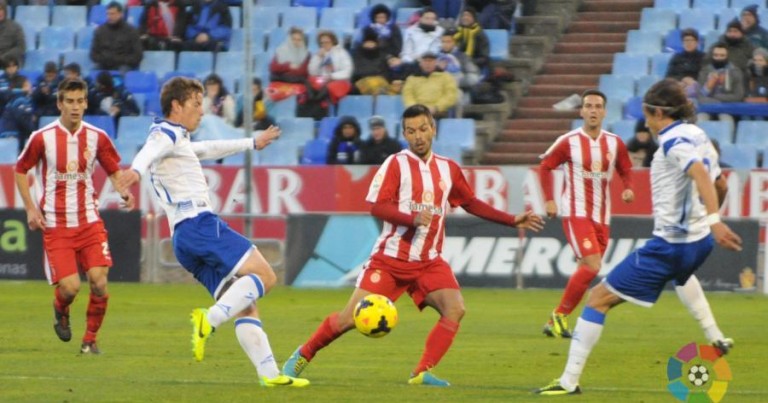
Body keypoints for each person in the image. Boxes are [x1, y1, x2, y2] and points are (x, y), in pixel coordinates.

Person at [282, 104, 544, 386]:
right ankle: (303, 354)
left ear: (433, 128)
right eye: (410, 131)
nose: (418, 136)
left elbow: (470, 202)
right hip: (390, 261)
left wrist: (511, 219)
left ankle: (421, 373)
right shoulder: (396, 164)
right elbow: (377, 207)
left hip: (428, 261)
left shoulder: (448, 169)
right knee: (348, 320)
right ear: (404, 134)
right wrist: (412, 218)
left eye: (422, 129)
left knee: (455, 308)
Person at [535, 78, 742, 396]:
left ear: (657, 112)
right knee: (683, 277)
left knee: (597, 299)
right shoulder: (699, 135)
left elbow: (699, 174)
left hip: (670, 245)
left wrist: (714, 221)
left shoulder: (673, 142)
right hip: (699, 243)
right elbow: (721, 185)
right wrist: (709, 224)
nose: (644, 119)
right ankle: (714, 334)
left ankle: (567, 381)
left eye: (646, 112)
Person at [116, 77, 308, 387]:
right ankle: (210, 319)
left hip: (183, 238)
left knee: (245, 302)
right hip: (199, 224)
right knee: (266, 276)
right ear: (176, 106)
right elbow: (149, 151)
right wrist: (134, 172)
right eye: (195, 104)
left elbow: (206, 148)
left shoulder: (177, 139)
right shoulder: (164, 133)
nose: (201, 112)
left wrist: (251, 142)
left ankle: (270, 375)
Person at [14, 77, 136, 354]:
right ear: (59, 104)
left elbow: (113, 170)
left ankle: (90, 341)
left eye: (80, 101)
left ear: (86, 102)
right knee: (70, 288)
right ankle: (61, 308)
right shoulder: (42, 137)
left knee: (99, 281)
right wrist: (31, 208)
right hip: (57, 225)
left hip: (89, 221)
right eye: (69, 101)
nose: (75, 107)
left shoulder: (97, 137)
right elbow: (20, 170)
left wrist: (123, 191)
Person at [538, 90, 634, 338]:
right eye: (588, 106)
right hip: (575, 211)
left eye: (597, 106)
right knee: (592, 265)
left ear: (604, 111)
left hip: (602, 215)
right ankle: (560, 315)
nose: (593, 110)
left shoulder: (614, 142)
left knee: (586, 268)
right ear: (581, 111)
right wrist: (549, 199)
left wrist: (628, 188)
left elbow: (625, 167)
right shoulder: (568, 141)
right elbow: (545, 166)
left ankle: (554, 322)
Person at [696, 43, 745, 124]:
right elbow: (700, 95)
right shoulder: (705, 71)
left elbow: (738, 96)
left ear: (727, 56)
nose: (718, 58)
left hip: (727, 108)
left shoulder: (735, 71)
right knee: (700, 119)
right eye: (716, 55)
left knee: (726, 120)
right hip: (707, 107)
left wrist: (716, 97)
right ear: (712, 56)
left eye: (722, 55)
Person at [402, 52, 459, 117]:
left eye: (431, 61)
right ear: (420, 63)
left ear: (435, 63)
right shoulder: (412, 79)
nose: (428, 64)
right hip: (417, 113)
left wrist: (436, 107)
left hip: (439, 113)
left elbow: (450, 95)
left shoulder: (446, 77)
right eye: (425, 61)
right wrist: (416, 108)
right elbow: (408, 96)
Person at [90, 2, 143, 71]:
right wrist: (105, 59)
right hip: (104, 64)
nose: (109, 16)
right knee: (94, 72)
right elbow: (93, 54)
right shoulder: (100, 31)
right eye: (108, 14)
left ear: (121, 14)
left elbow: (138, 55)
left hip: (124, 65)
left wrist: (120, 60)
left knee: (123, 71)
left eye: (112, 14)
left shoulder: (131, 31)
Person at [665, 28, 705, 97]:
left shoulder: (704, 57)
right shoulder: (676, 57)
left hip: (697, 86)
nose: (688, 43)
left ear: (697, 42)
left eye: (691, 40)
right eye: (686, 41)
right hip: (679, 85)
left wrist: (692, 81)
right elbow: (669, 76)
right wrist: (682, 80)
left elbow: (706, 75)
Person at [0, 0, 25, 66]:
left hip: (8, 63)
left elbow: (20, 47)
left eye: (1, 9)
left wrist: (3, 57)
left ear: (5, 11)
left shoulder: (15, 27)